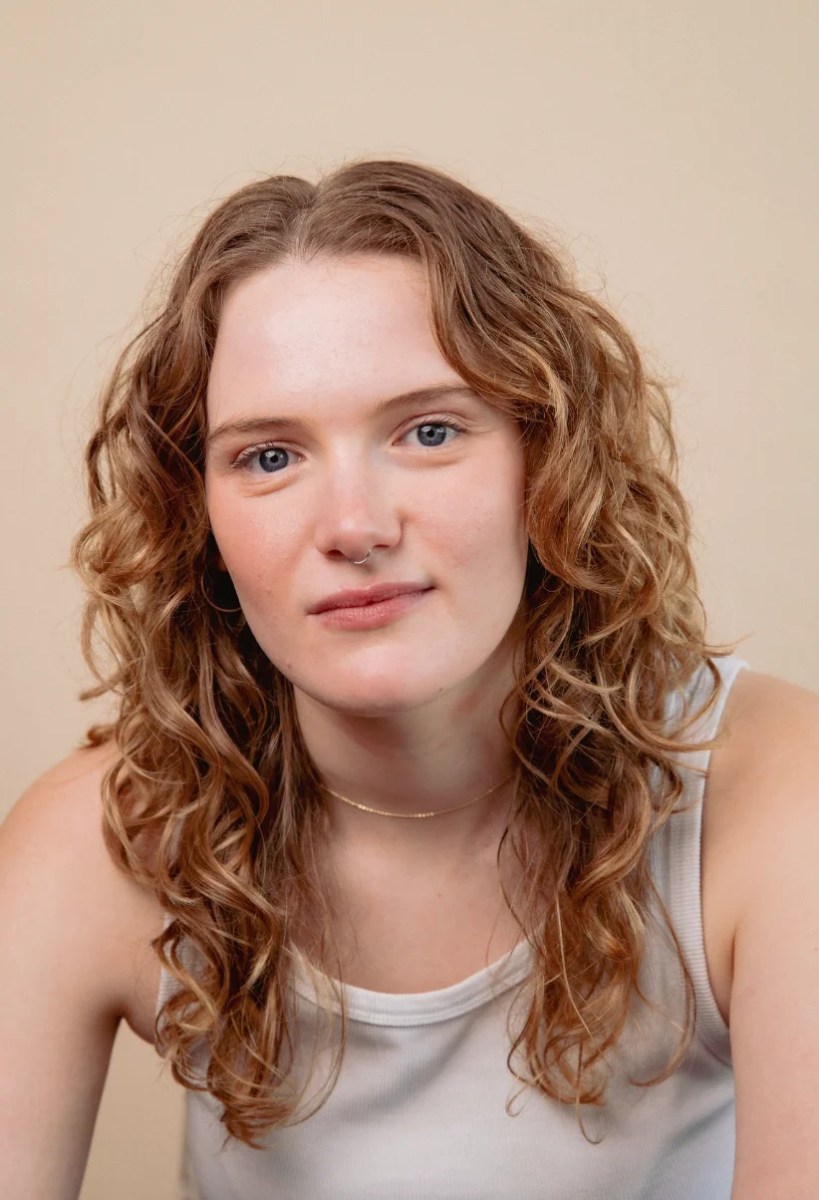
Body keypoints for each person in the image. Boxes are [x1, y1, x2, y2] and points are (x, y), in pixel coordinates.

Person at [1, 159, 817, 1200]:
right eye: (268, 457)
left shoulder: (780, 799)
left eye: (429, 432)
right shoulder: (102, 837)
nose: (353, 526)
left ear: (547, 463)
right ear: (195, 515)